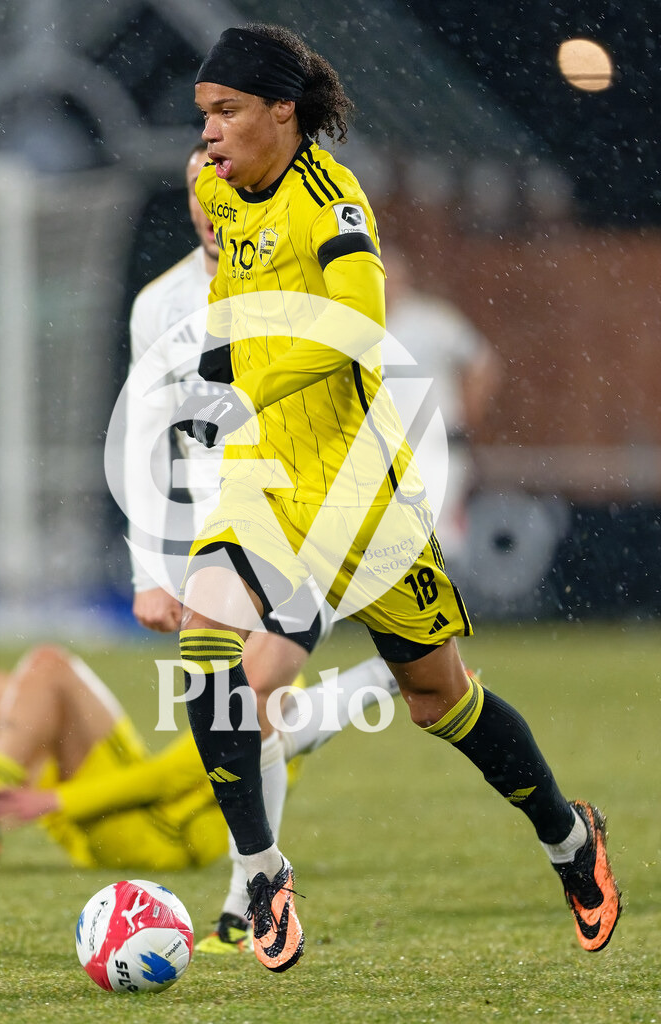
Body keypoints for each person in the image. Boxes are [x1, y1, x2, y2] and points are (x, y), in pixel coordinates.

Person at [170, 23, 621, 974]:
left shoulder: (335, 205)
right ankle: (260, 875)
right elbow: (226, 253)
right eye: (203, 113)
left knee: (438, 700)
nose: (207, 134)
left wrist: (242, 376)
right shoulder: (216, 183)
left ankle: (569, 840)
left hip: (357, 496)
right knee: (211, 659)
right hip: (262, 481)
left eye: (227, 113)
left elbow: (357, 333)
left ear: (282, 113)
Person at [124, 140, 353, 953]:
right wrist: (150, 570)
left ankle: (243, 894)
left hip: (303, 515)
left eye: (223, 177)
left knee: (252, 693)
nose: (212, 197)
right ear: (189, 199)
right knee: (237, 711)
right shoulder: (159, 305)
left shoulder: (301, 261)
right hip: (217, 533)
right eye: (199, 186)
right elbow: (149, 439)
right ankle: (324, 719)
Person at [0, 645, 397, 886]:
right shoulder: (248, 662)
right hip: (128, 823)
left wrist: (58, 799)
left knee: (49, 665)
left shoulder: (278, 687)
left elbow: (172, 776)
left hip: (158, 835)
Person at [381, 245, 501, 575]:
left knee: (435, 529)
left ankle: (446, 609)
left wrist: (467, 415)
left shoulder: (432, 321)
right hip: (385, 447)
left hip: (433, 442)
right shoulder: (362, 322)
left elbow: (482, 364)